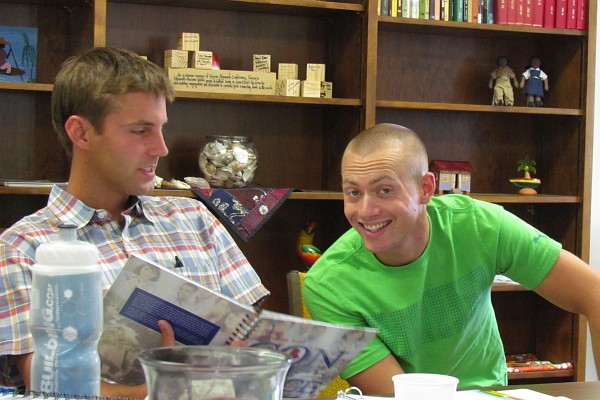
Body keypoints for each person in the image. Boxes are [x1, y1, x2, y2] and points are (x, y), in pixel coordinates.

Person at [0, 46, 269, 398]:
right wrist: (167, 387)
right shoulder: (25, 247)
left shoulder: (194, 219)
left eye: (161, 128)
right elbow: (48, 384)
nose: (161, 148)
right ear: (81, 133)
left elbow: (252, 338)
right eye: (141, 131)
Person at [303, 123, 600, 395]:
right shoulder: (328, 284)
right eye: (353, 192)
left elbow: (593, 293)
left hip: (489, 392)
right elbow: (398, 394)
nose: (366, 211)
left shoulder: (477, 224)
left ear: (426, 188)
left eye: (385, 190)